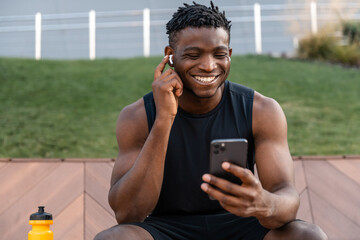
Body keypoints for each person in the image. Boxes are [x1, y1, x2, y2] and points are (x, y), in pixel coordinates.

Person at [95, 2, 328, 240]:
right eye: (193, 55)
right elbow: (127, 213)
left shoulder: (262, 110)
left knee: (307, 235)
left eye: (219, 54)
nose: (208, 66)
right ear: (170, 56)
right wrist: (164, 118)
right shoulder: (137, 116)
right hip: (168, 228)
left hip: (242, 225)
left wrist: (264, 203)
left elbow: (287, 197)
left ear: (229, 55)